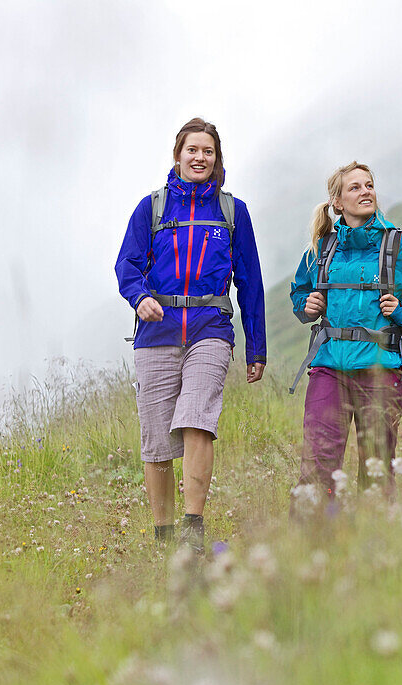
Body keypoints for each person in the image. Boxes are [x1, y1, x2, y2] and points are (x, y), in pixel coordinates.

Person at [115, 117, 266, 552]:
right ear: (178, 155)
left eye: (208, 151)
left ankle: (193, 529)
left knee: (198, 418)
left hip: (210, 330)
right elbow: (127, 264)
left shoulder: (232, 212)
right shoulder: (153, 208)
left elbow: (251, 281)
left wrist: (256, 347)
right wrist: (140, 296)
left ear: (217, 159)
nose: (200, 157)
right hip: (157, 332)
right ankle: (164, 537)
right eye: (192, 150)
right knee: (158, 440)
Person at [289, 161, 402, 498]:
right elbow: (299, 292)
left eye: (369, 185)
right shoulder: (323, 247)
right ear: (337, 202)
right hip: (328, 367)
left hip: (382, 368)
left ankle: (378, 546)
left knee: (376, 469)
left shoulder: (401, 246)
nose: (366, 192)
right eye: (355, 187)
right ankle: (311, 546)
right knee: (316, 467)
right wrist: (306, 305)